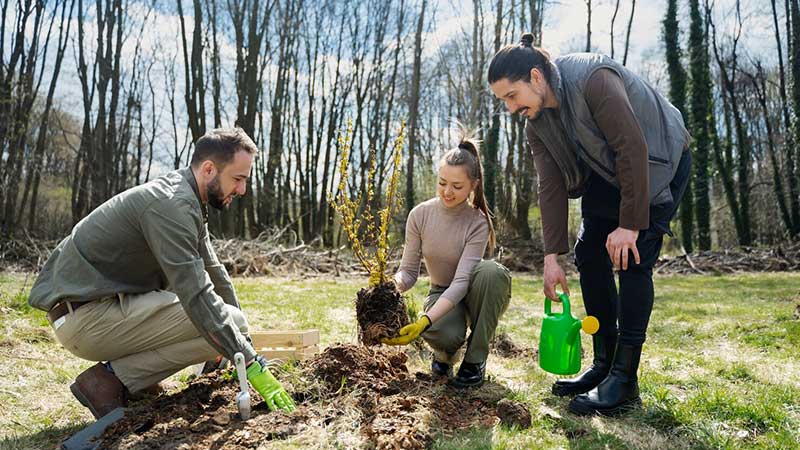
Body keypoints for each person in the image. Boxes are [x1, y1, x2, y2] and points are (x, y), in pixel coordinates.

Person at [488, 33, 692, 415]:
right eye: (503, 101)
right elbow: (548, 187)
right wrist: (552, 257)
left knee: (630, 258)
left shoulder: (593, 78)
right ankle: (604, 365)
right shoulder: (537, 125)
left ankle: (625, 380)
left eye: (511, 96)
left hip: (658, 161)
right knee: (589, 253)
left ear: (535, 76)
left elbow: (632, 146)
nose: (510, 108)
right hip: (610, 171)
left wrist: (630, 225)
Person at [28, 128, 295, 418]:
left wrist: (244, 348)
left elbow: (215, 274)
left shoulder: (186, 197)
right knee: (224, 322)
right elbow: (198, 295)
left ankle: (135, 380)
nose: (242, 190)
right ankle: (107, 381)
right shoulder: (172, 206)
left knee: (231, 326)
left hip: (98, 309)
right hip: (86, 318)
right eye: (238, 179)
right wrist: (252, 363)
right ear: (209, 169)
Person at [382, 129, 512, 388]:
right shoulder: (420, 215)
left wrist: (426, 319)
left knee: (491, 272)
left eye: (457, 186)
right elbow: (408, 272)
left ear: (473, 185)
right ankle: (445, 354)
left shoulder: (477, 222)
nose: (447, 192)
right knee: (439, 331)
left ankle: (475, 359)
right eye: (442, 183)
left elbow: (463, 281)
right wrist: (388, 285)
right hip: (441, 292)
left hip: (475, 293)